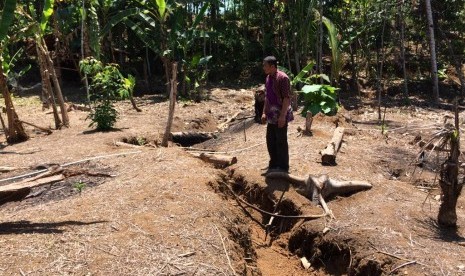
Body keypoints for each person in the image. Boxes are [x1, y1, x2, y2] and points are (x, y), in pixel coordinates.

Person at [261, 56, 293, 173]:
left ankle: (283, 167)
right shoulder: (268, 78)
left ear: (272, 66)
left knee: (281, 139)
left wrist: (282, 116)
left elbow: (286, 98)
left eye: (265, 65)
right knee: (270, 139)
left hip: (281, 112)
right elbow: (267, 97)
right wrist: (264, 112)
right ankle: (273, 164)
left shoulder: (283, 78)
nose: (263, 67)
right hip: (271, 113)